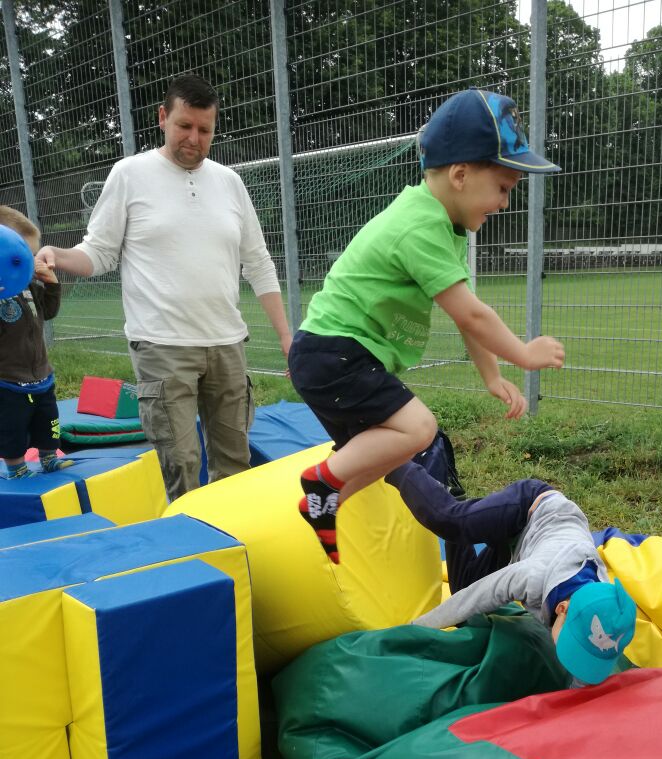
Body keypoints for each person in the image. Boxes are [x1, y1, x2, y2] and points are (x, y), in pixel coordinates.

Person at [288, 87, 565, 565]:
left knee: (390, 455)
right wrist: (523, 354)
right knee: (419, 429)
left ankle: (322, 506)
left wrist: (492, 376)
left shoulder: (445, 226)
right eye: (503, 188)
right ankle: (321, 481)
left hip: (336, 356)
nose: (504, 203)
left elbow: (466, 315)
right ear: (460, 175)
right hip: (334, 353)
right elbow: (473, 315)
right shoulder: (420, 226)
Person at [36, 73, 292, 501]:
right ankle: (188, 539)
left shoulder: (229, 182)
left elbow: (259, 263)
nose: (194, 138)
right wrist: (57, 255)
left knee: (235, 464)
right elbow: (99, 253)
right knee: (182, 463)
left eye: (205, 130)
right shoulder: (130, 174)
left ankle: (232, 539)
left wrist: (286, 336)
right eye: (184, 126)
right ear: (162, 118)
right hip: (162, 345)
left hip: (227, 343)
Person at [385, 458, 637, 686]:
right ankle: (394, 461)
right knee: (450, 521)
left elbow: (588, 660)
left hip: (527, 543)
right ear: (562, 609)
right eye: (572, 645)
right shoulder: (532, 576)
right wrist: (413, 630)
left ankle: (452, 495)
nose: (571, 655)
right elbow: (472, 598)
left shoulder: (604, 602)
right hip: (529, 507)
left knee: (462, 592)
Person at [0, 206, 73, 479]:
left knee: (48, 420)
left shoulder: (30, 287)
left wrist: (52, 285)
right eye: (24, 257)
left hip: (41, 374)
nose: (32, 263)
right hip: (8, 380)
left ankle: (49, 457)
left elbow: (48, 312)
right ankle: (16, 467)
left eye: (33, 255)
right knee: (12, 427)